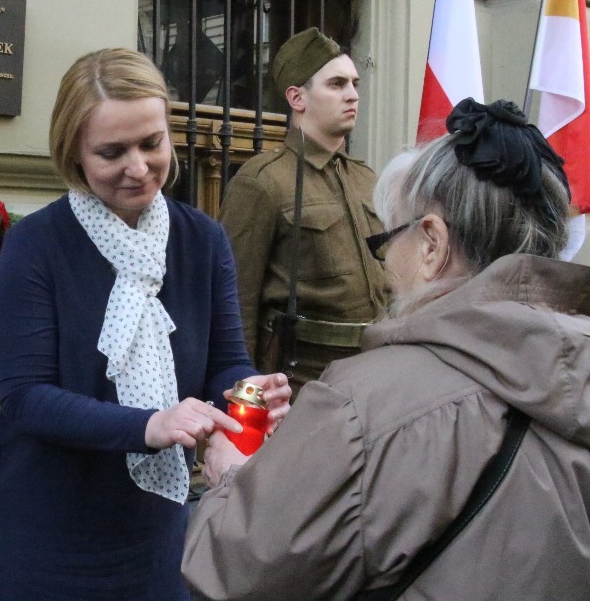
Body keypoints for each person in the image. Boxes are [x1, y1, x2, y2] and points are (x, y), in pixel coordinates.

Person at [182, 98, 590, 599]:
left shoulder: (361, 404)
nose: (383, 265)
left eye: (387, 239)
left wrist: (233, 482)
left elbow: (234, 569)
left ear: (432, 245)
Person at [0, 47, 291, 600]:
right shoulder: (36, 244)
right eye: (112, 151)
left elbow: (226, 361)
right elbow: (25, 397)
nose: (139, 167)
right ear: (73, 152)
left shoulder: (203, 240)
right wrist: (148, 425)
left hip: (154, 528)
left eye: (152, 143)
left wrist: (250, 396)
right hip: (46, 528)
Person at [218, 27, 387, 395]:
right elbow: (236, 305)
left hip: (373, 379)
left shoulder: (367, 179)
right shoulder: (263, 182)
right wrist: (246, 403)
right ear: (297, 97)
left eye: (355, 84)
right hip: (301, 385)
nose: (353, 95)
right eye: (337, 84)